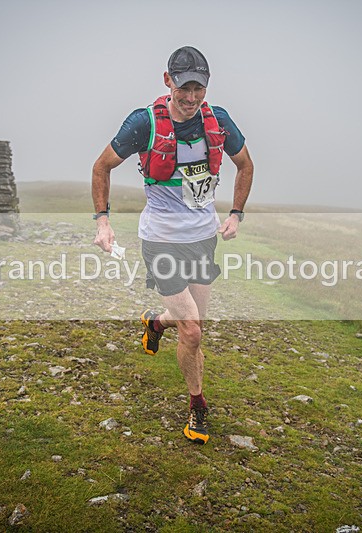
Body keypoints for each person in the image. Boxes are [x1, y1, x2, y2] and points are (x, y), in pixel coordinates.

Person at [92, 46, 254, 444]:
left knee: (194, 322)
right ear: (168, 81)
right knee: (194, 331)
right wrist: (103, 222)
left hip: (201, 240)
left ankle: (155, 321)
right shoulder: (143, 123)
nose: (192, 96)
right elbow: (102, 167)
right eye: (184, 87)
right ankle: (198, 406)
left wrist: (235, 213)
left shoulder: (218, 121)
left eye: (199, 87)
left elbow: (246, 164)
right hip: (161, 241)